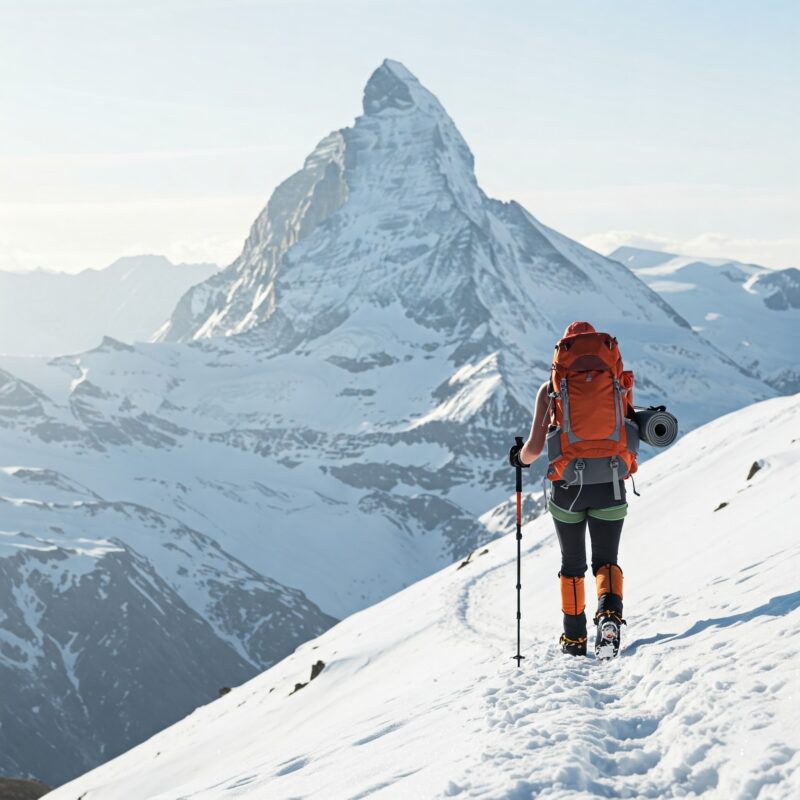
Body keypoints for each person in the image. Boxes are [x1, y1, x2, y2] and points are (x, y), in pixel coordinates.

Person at [508, 321, 635, 658]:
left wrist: (518, 458)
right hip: (610, 482)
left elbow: (534, 449)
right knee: (606, 560)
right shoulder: (619, 383)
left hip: (568, 489)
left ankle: (575, 638)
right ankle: (609, 615)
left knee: (572, 563)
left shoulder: (550, 389)